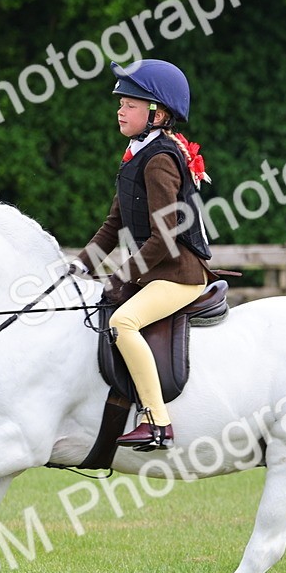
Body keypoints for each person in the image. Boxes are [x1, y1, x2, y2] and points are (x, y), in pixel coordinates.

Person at [69, 59, 218, 451]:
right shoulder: (137, 154)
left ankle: (157, 421)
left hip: (178, 275)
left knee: (123, 323)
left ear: (159, 114)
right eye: (121, 102)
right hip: (157, 272)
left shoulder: (160, 160)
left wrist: (123, 275)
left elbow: (164, 238)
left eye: (131, 103)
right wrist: (76, 266)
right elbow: (113, 225)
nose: (120, 109)